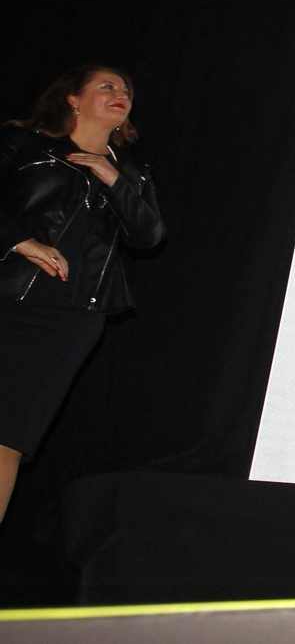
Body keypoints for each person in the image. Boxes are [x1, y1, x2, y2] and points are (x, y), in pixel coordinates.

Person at [0, 66, 165, 526]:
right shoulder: (26, 142)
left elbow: (149, 235)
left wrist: (113, 178)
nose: (121, 94)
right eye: (107, 86)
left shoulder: (129, 170)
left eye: (127, 91)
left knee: (9, 438)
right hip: (7, 296)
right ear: (73, 99)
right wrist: (18, 241)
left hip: (70, 318)